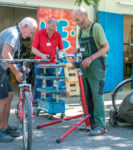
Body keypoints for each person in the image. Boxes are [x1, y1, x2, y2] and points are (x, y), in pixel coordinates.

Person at [72, 7, 109, 136]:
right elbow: (82, 48)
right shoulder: (81, 31)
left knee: (96, 96)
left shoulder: (96, 28)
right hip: (85, 66)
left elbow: (106, 47)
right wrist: (77, 51)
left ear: (84, 15)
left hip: (97, 66)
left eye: (77, 19)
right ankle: (90, 123)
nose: (75, 22)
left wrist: (91, 58)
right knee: (85, 96)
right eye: (74, 20)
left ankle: (100, 126)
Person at [0, 17, 37, 143]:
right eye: (31, 32)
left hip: (2, 69)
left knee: (9, 96)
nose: (30, 35)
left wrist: (20, 68)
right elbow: (6, 54)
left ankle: (4, 126)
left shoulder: (15, 33)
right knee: (3, 100)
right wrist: (16, 72)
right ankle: (0, 131)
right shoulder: (13, 33)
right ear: (25, 26)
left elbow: (9, 56)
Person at [32, 19, 63, 106]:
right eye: (49, 29)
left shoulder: (58, 35)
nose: (50, 32)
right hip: (39, 63)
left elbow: (61, 49)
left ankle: (49, 103)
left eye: (53, 30)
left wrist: (60, 55)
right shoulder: (39, 33)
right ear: (46, 27)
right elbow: (33, 49)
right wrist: (42, 55)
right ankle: (36, 103)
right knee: (38, 83)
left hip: (51, 63)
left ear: (56, 29)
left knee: (50, 85)